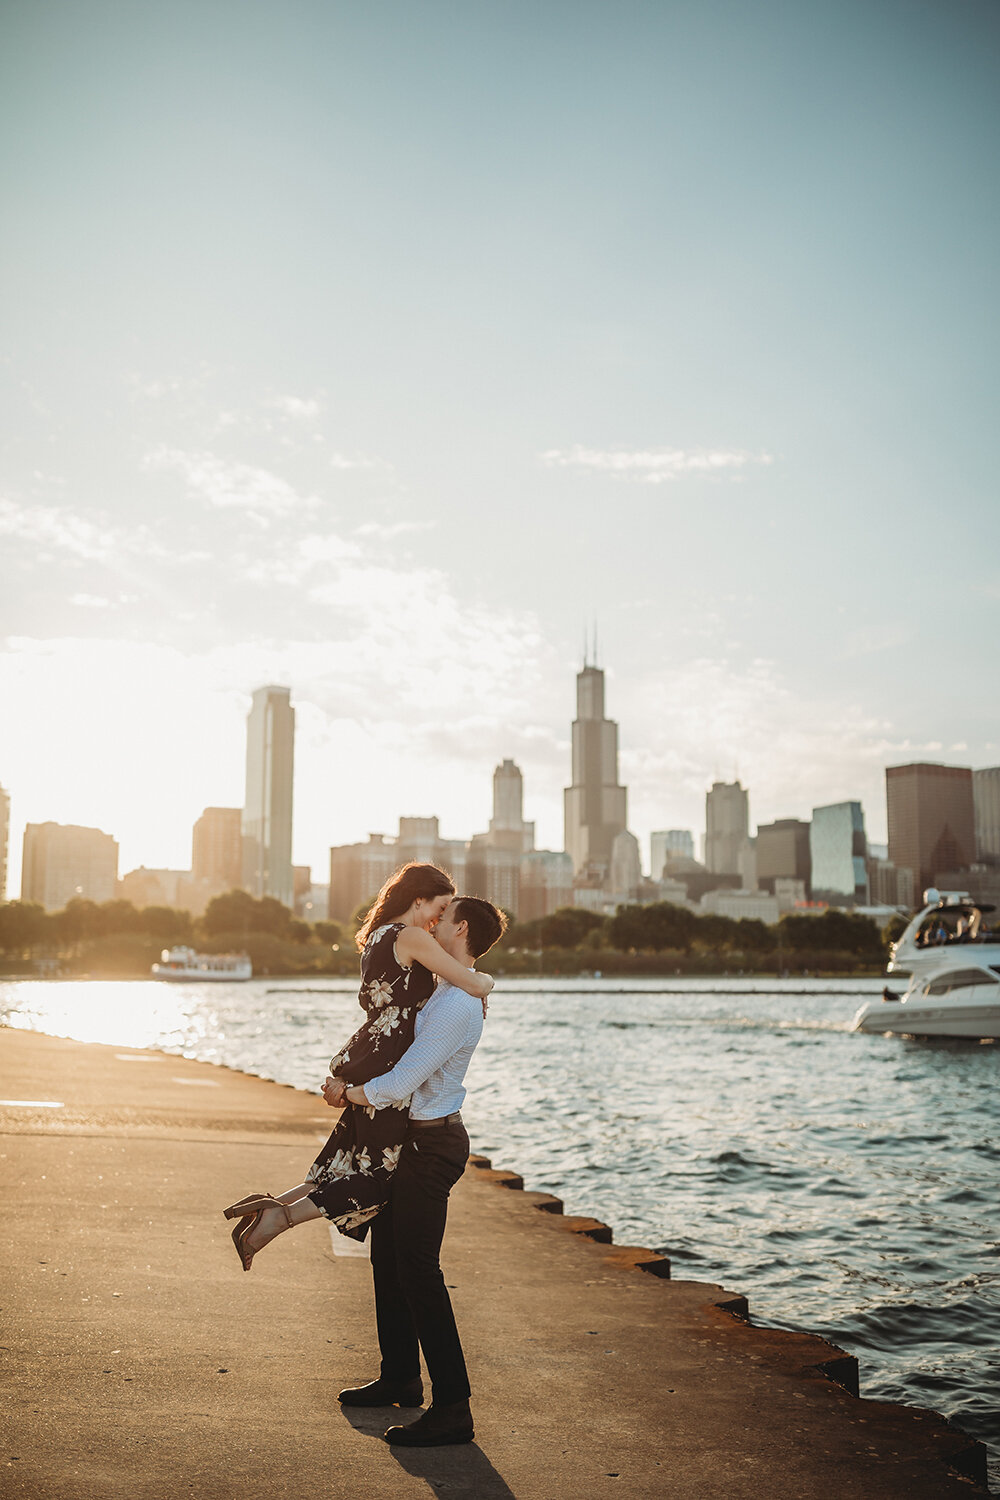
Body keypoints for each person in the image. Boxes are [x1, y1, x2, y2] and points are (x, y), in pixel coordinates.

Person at [222, 863, 493, 1269]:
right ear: (418, 900)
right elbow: (469, 982)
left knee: (346, 1159)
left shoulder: (379, 936)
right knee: (372, 1181)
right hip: (388, 1061)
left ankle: (274, 1204)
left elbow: (425, 992)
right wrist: (486, 986)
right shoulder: (413, 935)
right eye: (439, 906)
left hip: (371, 1052)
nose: (440, 916)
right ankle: (278, 1217)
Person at [331, 894, 507, 1448]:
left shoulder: (456, 1005)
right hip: (415, 1141)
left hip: (434, 1146)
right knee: (387, 1256)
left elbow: (400, 1081)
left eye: (442, 918)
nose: (432, 923)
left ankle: (453, 1407)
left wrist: (347, 1093)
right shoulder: (446, 989)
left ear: (460, 932)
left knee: (420, 1273)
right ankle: (400, 1376)